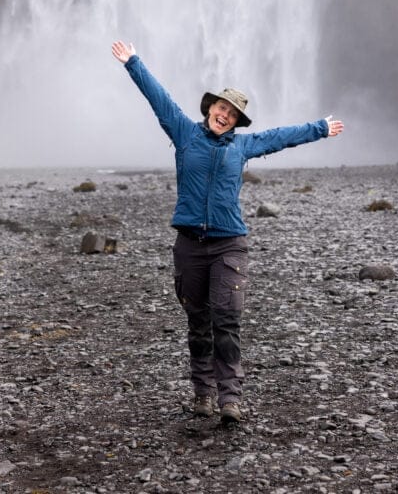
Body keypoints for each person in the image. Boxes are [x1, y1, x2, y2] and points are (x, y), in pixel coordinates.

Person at [111, 40, 344, 423]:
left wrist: (319, 128)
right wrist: (133, 62)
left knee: (227, 320)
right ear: (210, 109)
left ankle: (230, 399)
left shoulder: (243, 145)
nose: (225, 115)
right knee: (198, 321)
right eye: (222, 108)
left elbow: (281, 137)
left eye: (232, 114)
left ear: (236, 121)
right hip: (189, 245)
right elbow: (159, 98)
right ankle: (203, 394)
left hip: (229, 244)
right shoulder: (184, 133)